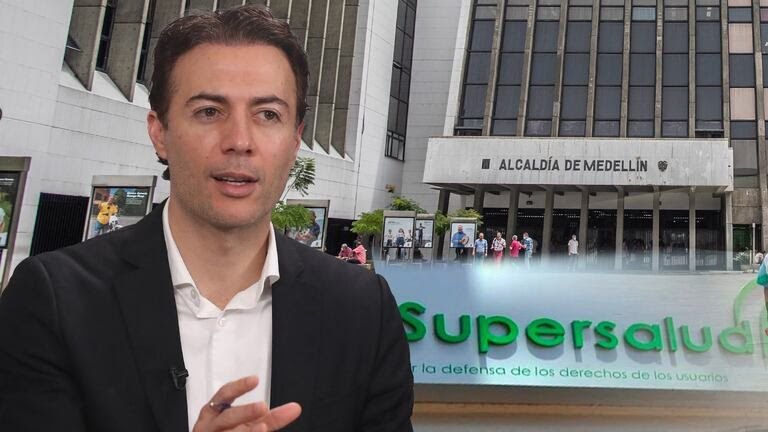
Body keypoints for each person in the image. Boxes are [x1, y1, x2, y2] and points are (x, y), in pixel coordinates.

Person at [0, 6, 413, 432]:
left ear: (295, 140)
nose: (240, 141)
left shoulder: (361, 309)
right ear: (160, 132)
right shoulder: (55, 301)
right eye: (209, 112)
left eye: (268, 115)